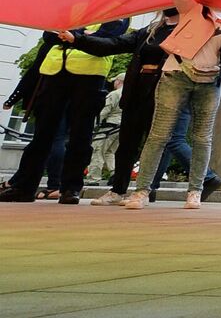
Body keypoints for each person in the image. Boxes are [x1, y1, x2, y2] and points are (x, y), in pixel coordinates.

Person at [127, 0, 221, 211]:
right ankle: (141, 192)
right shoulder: (193, 9)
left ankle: (195, 191)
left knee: (202, 138)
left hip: (209, 80)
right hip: (176, 75)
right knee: (159, 135)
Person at [0, 15, 128, 203]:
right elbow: (49, 35)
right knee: (42, 135)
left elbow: (106, 40)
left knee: (80, 136)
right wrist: (82, 36)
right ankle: (24, 187)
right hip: (54, 73)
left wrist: (72, 37)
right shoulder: (70, 6)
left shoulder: (117, 10)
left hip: (89, 76)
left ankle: (70, 188)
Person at [76, 8, 181, 206]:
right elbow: (115, 44)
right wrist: (78, 39)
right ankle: (118, 189)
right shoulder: (149, 31)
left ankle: (146, 190)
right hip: (138, 89)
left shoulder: (187, 31)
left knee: (157, 143)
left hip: (165, 92)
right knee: (126, 143)